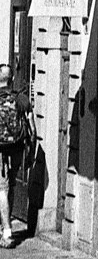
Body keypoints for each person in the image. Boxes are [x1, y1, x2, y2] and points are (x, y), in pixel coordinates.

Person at [0, 65, 35, 249]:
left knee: (1, 189)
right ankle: (5, 225)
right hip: (17, 148)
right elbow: (32, 128)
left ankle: (7, 232)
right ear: (12, 79)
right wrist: (31, 152)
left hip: (0, 149)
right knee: (10, 184)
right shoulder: (21, 99)